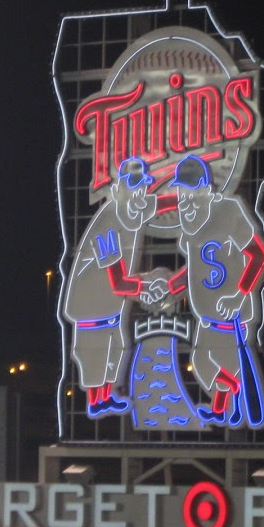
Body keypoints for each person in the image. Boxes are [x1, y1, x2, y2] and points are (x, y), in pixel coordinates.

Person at [166, 155, 264, 426]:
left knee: (219, 363)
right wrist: (169, 286)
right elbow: (193, 268)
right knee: (203, 363)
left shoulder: (228, 210)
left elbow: (259, 255)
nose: (184, 200)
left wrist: (240, 294)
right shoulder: (191, 223)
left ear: (206, 189)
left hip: (232, 316)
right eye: (180, 192)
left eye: (190, 192)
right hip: (207, 316)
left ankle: (232, 400)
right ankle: (225, 403)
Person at [62, 158, 165, 416]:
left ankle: (105, 398)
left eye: (143, 185)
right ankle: (97, 400)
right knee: (96, 358)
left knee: (116, 349)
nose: (141, 191)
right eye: (134, 186)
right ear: (119, 189)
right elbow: (118, 282)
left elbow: (162, 204)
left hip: (110, 309)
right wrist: (146, 285)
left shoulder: (132, 209)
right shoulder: (107, 224)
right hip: (91, 311)